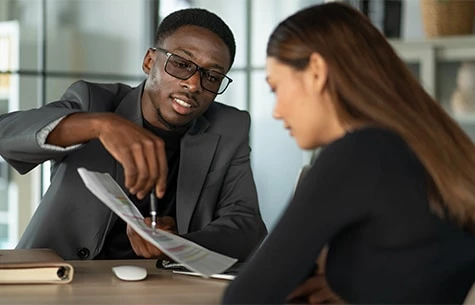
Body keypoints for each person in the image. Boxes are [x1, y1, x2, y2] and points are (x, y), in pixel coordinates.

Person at [222, 2, 475, 304]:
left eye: (275, 88)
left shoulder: (358, 153)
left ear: (316, 71)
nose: (276, 111)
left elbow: (246, 296)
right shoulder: (423, 147)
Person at [0, 8, 267, 262]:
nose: (194, 84)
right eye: (181, 64)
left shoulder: (230, 126)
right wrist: (99, 125)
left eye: (212, 76)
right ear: (150, 61)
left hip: (161, 286)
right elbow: (5, 134)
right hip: (61, 276)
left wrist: (180, 244)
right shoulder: (94, 102)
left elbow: (247, 224)